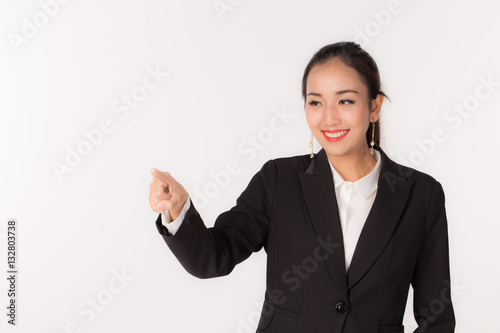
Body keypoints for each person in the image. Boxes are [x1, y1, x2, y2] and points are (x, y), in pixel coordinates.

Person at [149, 41, 456, 333]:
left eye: (345, 101)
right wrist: (178, 210)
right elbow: (212, 258)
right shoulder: (278, 180)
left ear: (374, 107)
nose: (329, 117)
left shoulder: (421, 196)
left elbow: (437, 318)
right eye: (316, 102)